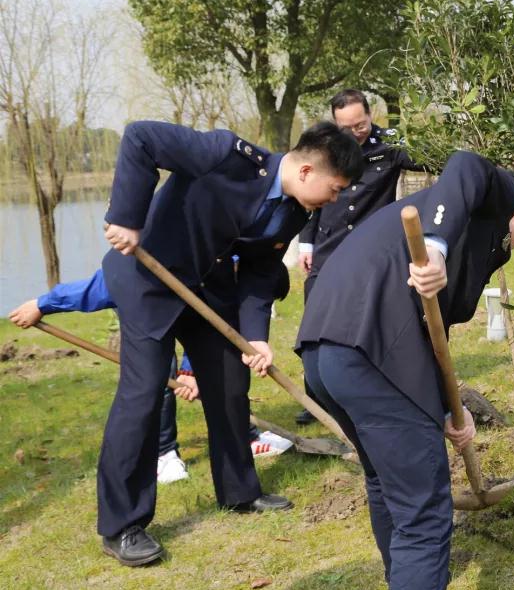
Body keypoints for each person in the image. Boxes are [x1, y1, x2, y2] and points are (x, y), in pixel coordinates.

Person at [97, 120, 364, 567]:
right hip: (148, 280)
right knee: (143, 395)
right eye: (334, 189)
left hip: (205, 291)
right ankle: (122, 525)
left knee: (229, 382)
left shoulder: (296, 210)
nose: (334, 200)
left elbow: (261, 271)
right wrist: (127, 216)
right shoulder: (225, 155)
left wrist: (255, 335)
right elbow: (140, 137)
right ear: (305, 172)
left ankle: (239, 492)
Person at [296, 150, 514, 590]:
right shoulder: (495, 198)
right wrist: (437, 246)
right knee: (425, 516)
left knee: (386, 485)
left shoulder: (465, 232)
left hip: (325, 351)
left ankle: (406, 586)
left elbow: (431, 331)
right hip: (372, 350)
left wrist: (450, 406)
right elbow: (467, 163)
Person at [294, 88, 428, 425]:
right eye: (347, 127)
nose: (356, 131)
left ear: (370, 114)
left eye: (361, 123)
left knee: (372, 319)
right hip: (328, 246)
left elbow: (432, 159)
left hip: (369, 253)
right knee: (315, 324)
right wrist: (306, 243)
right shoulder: (323, 147)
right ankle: (319, 400)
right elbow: (308, 198)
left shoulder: (391, 147)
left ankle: (374, 383)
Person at [7, 270, 199, 484]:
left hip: (202, 293)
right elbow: (99, 287)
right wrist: (43, 304)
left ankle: (240, 432)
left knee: (219, 359)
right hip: (146, 302)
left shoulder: (219, 264)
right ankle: (164, 454)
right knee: (156, 371)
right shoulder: (137, 270)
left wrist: (192, 370)